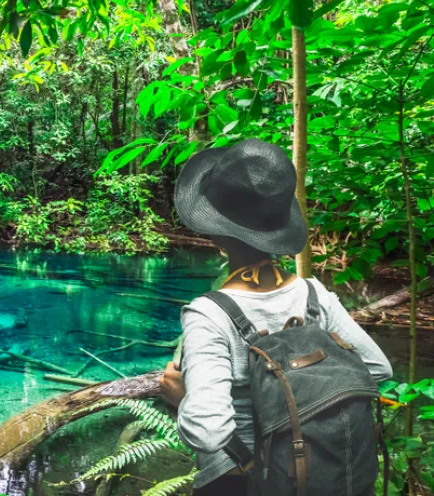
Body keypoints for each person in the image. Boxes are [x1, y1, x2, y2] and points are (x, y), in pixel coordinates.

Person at [156, 138, 393, 496]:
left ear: (215, 232)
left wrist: (182, 396)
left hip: (239, 482)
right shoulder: (316, 296)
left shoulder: (209, 314)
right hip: (317, 474)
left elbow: (208, 431)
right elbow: (377, 369)